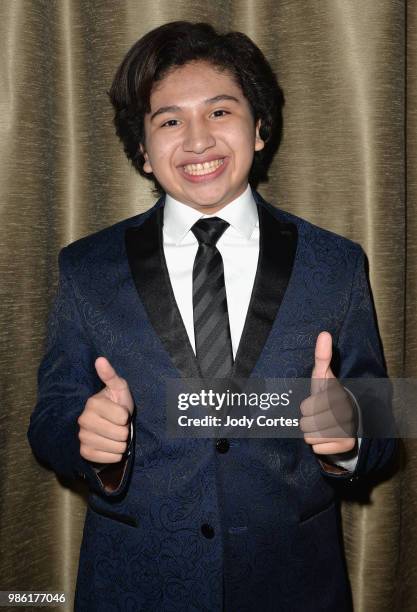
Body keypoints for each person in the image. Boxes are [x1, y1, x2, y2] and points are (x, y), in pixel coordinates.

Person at [27, 21, 396, 611]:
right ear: (144, 152)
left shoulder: (336, 263)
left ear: (259, 128)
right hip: (136, 584)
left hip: (292, 584)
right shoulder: (86, 268)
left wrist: (349, 433)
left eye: (219, 112)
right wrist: (85, 436)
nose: (197, 142)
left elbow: (382, 420)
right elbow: (49, 417)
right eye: (170, 121)